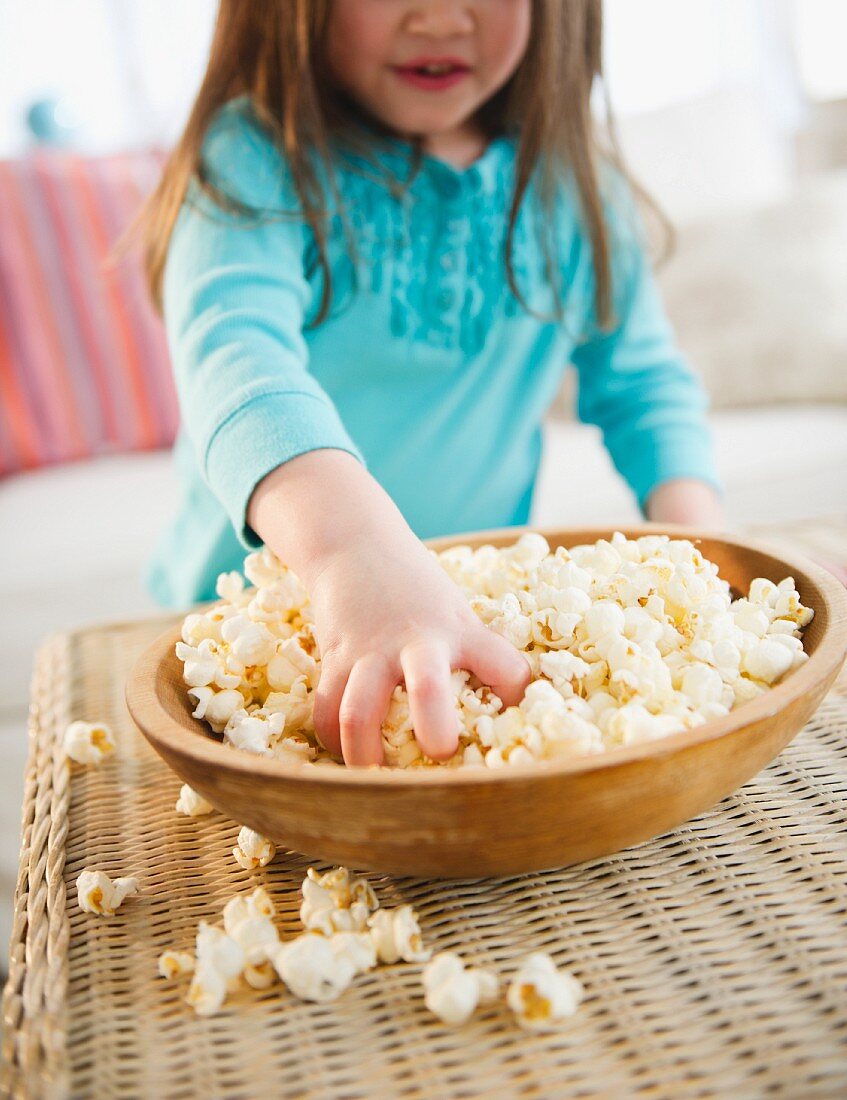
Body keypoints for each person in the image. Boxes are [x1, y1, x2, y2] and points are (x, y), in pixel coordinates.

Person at [141, 0, 724, 768]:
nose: (442, 17)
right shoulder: (255, 154)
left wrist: (705, 557)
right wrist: (349, 553)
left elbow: (643, 384)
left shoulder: (572, 184)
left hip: (462, 617)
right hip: (243, 643)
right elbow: (239, 363)